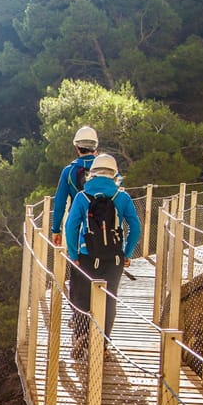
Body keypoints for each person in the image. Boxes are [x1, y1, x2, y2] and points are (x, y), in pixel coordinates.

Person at [64, 153, 141, 360]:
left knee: (81, 297)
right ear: (113, 173)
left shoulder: (82, 197)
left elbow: (71, 227)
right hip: (113, 259)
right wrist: (127, 253)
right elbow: (135, 227)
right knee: (109, 301)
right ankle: (102, 343)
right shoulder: (122, 197)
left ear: (93, 173)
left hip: (86, 257)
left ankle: (80, 334)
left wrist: (73, 254)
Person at [52, 125, 99, 246]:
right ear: (95, 147)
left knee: (77, 260)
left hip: (77, 224)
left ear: (77, 147)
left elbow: (60, 203)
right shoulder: (107, 169)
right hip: (105, 225)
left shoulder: (69, 171)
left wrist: (56, 230)